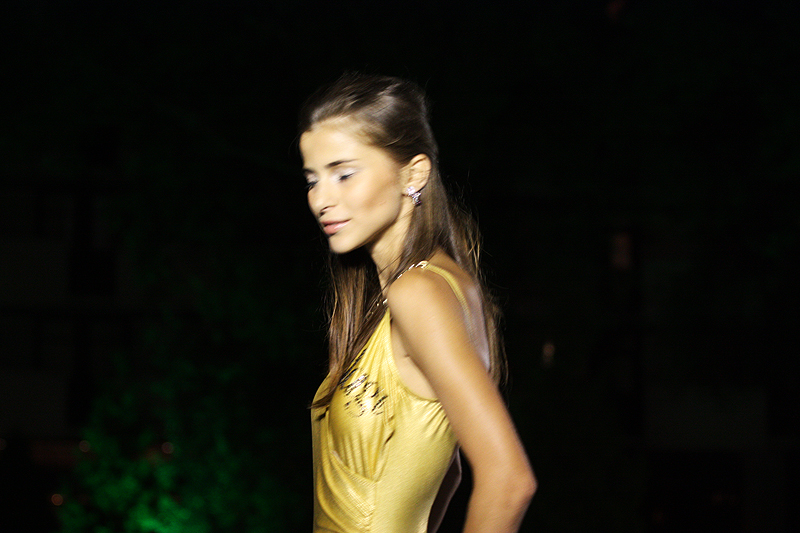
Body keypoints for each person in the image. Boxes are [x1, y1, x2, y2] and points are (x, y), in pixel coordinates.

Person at [300, 73, 536, 533]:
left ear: (414, 174)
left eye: (344, 174)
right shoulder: (443, 286)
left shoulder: (418, 293)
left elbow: (510, 481)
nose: (321, 199)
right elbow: (448, 469)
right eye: (313, 179)